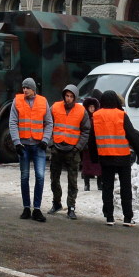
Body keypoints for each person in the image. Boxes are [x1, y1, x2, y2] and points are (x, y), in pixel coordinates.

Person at [93, 89, 139, 227]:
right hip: (123, 157)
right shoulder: (121, 115)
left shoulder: (97, 115)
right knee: (125, 188)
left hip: (105, 158)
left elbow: (92, 139)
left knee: (107, 188)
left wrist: (94, 157)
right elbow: (132, 136)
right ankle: (127, 218)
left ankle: (109, 217)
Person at [9, 77, 52, 222]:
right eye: (23, 87)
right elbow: (13, 122)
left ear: (33, 89)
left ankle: (37, 208)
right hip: (24, 146)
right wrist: (16, 142)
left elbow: (49, 123)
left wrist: (45, 140)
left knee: (40, 176)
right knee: (24, 176)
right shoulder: (17, 101)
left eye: (27, 87)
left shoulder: (42, 101)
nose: (24, 90)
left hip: (39, 146)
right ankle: (26, 207)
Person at [48, 84, 90, 219]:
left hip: (73, 150)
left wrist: (78, 147)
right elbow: (48, 124)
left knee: (72, 181)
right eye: (67, 96)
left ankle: (71, 207)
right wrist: (51, 144)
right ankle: (56, 203)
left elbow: (86, 130)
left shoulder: (81, 111)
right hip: (57, 148)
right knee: (54, 178)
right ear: (63, 96)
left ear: (75, 98)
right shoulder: (54, 107)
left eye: (71, 96)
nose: (68, 99)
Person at [81, 93, 102, 192]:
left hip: (97, 146)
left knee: (98, 165)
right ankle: (86, 184)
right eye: (90, 107)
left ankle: (99, 183)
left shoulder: (98, 117)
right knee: (86, 165)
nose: (92, 109)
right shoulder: (85, 118)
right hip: (87, 146)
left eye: (93, 107)